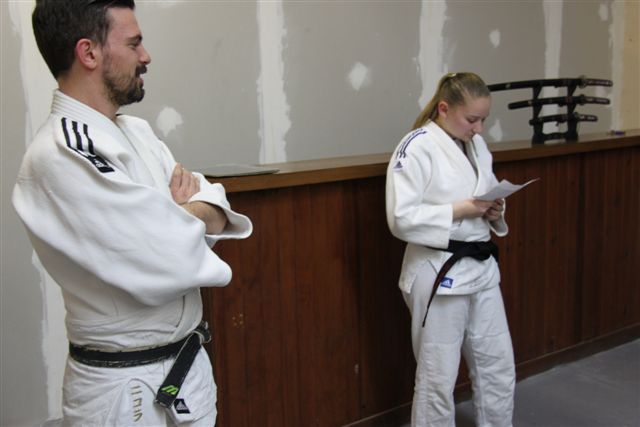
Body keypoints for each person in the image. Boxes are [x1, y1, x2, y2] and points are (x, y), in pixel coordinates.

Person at [13, 0, 252, 425]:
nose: (146, 56)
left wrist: (181, 214)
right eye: (134, 43)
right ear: (89, 53)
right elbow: (165, 252)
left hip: (188, 369)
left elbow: (217, 206)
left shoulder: (137, 132)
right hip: (123, 391)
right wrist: (186, 219)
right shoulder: (60, 153)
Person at [385, 72, 515, 427]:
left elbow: (485, 192)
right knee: (437, 377)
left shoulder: (476, 145)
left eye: (483, 120)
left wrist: (494, 210)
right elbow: (401, 218)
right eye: (472, 119)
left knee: (498, 365)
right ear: (444, 109)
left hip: (481, 267)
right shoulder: (416, 146)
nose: (479, 128)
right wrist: (462, 209)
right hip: (437, 268)